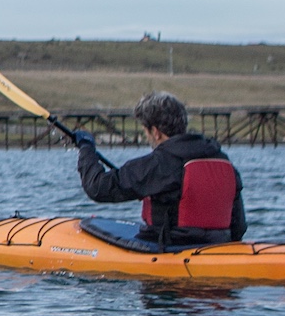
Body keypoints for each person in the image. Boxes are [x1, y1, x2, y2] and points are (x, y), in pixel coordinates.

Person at [75, 91, 245, 244]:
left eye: (146, 132)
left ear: (155, 132)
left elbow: (97, 187)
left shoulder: (159, 163)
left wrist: (86, 148)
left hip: (172, 249)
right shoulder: (223, 160)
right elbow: (239, 228)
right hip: (219, 245)